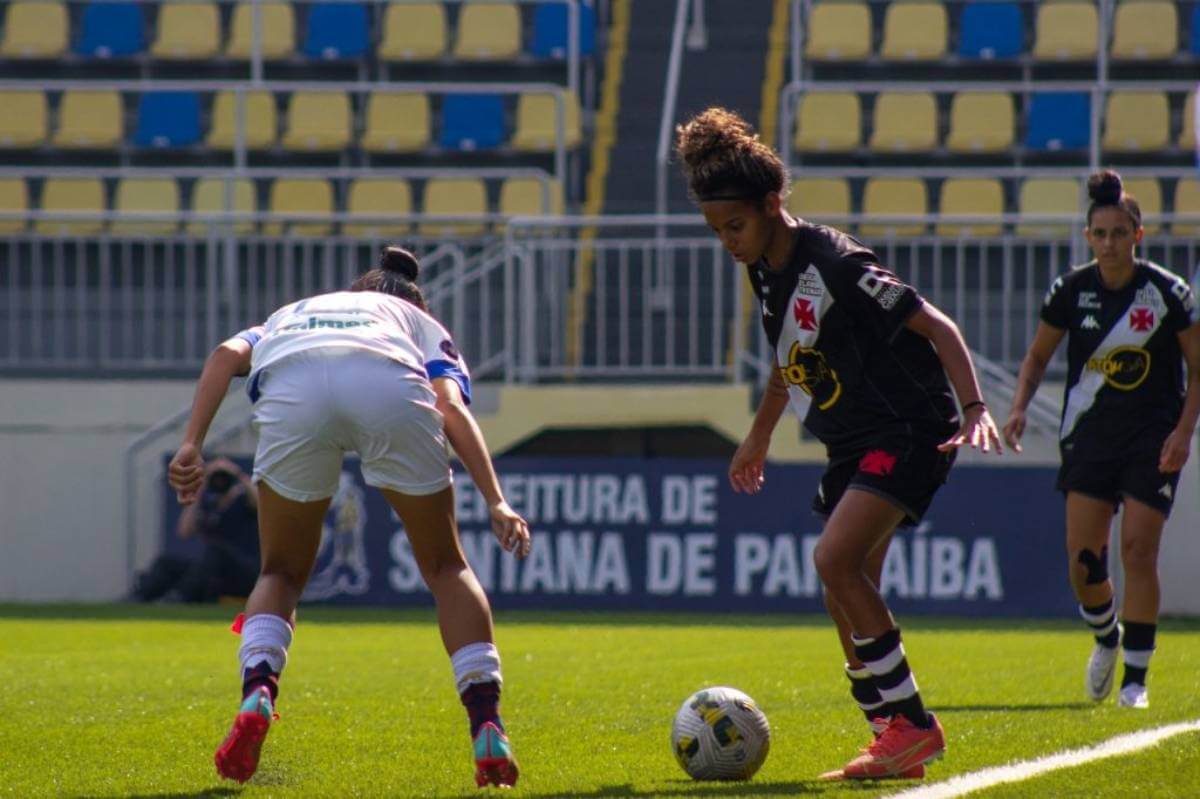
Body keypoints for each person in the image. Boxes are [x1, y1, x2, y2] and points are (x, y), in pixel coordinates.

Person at [675, 108, 1001, 781]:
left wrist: (974, 407)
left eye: (734, 226)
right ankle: (893, 737)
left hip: (910, 427)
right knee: (841, 585)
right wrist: (758, 435)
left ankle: (911, 725)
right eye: (716, 231)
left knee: (834, 558)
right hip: (853, 441)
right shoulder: (764, 267)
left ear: (772, 205)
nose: (727, 241)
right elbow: (788, 357)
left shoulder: (837, 261)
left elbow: (937, 326)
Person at [167, 247, 532, 787]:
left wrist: (192, 443)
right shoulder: (418, 322)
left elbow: (225, 354)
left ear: (358, 289)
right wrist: (496, 499)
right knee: (445, 568)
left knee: (280, 574)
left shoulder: (295, 311)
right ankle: (487, 725)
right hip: (387, 384)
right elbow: (450, 407)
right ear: (412, 300)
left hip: (294, 386)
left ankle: (258, 693)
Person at [1004, 169, 1200, 710]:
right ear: (1088, 237)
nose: (1109, 243)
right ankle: (1106, 636)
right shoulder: (1071, 290)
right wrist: (1019, 408)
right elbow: (1037, 357)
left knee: (1138, 550)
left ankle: (1135, 679)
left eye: (1119, 233)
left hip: (1152, 440)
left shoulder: (1167, 292)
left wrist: (1185, 431)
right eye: (1100, 234)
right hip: (1088, 438)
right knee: (1084, 562)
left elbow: (1197, 367)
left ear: (1138, 236)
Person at [132, 458, 260, 603]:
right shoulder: (209, 506)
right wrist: (201, 486)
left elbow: (260, 504)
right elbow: (184, 531)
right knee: (166, 563)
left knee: (215, 552)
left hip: (244, 571)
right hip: (213, 572)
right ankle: (139, 597)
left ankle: (179, 597)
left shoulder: (243, 500)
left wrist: (238, 474)